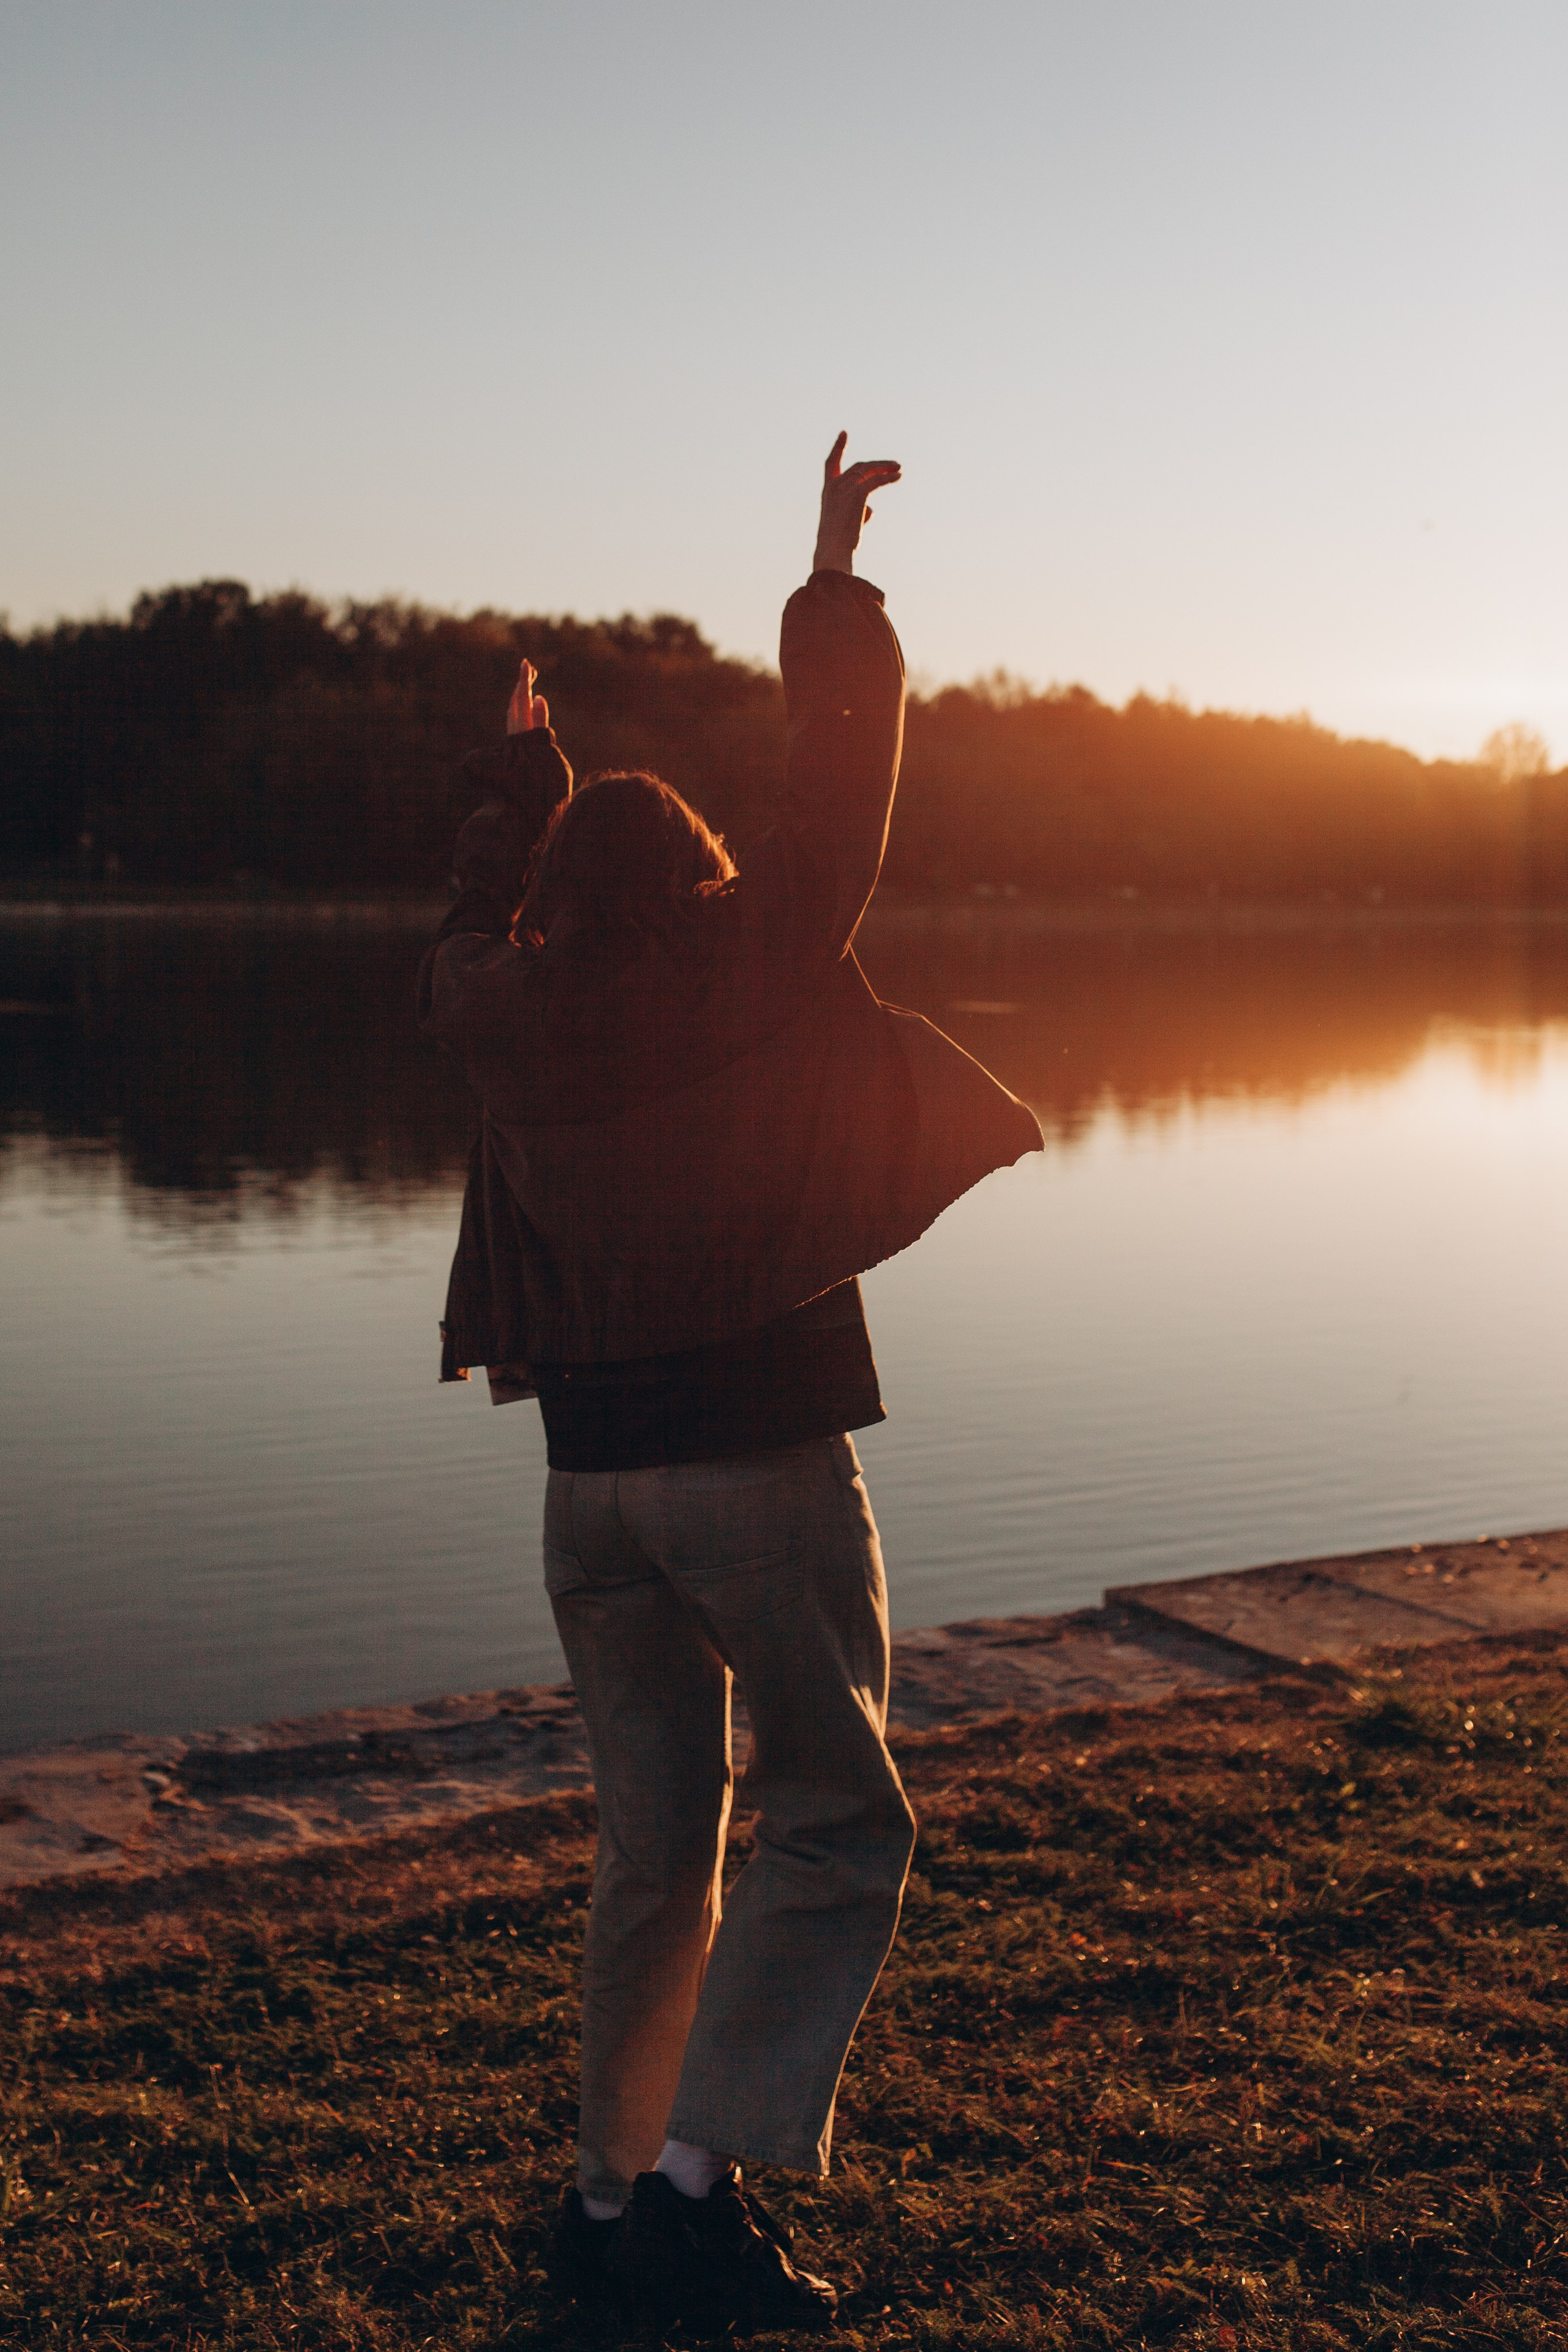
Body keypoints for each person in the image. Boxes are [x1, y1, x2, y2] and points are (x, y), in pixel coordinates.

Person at [418, 437, 1042, 2333]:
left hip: (586, 1498)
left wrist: (516, 787)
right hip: (755, 1465)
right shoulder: (751, 963)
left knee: (653, 1848)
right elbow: (839, 790)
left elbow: (470, 922)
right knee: (840, 1818)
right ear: (698, 877)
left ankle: (609, 2203)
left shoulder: (494, 1005)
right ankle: (694, 2188)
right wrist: (830, 578)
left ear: (547, 893)